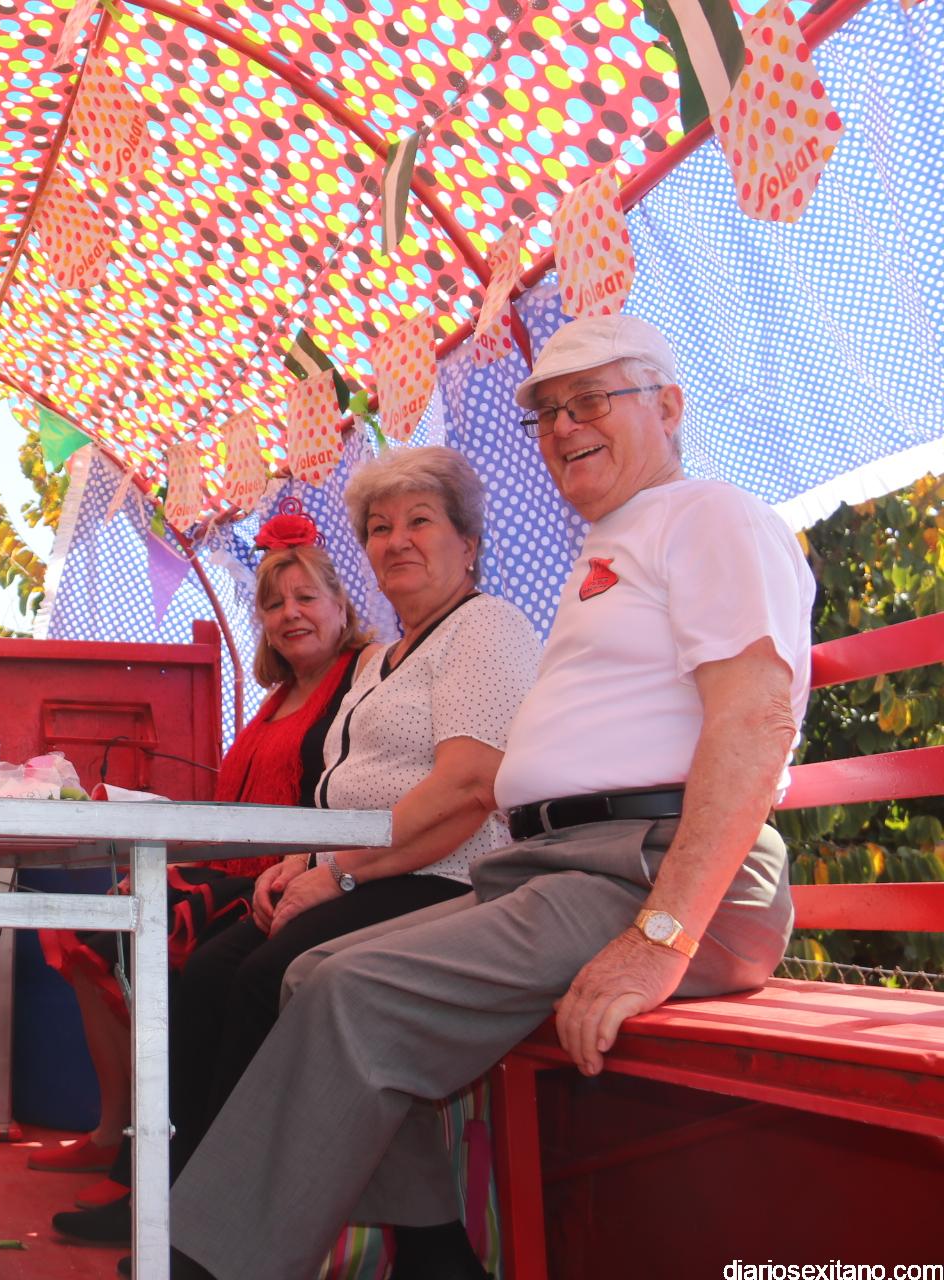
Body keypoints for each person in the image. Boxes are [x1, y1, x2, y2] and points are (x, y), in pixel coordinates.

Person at [162, 314, 815, 1280]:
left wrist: (661, 937)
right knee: (311, 973)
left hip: (650, 872)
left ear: (670, 407)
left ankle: (204, 1267)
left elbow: (756, 719)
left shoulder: (709, 516)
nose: (564, 426)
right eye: (547, 412)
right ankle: (436, 1256)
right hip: (555, 872)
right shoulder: (606, 552)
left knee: (347, 992)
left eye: (591, 400)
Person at [51, 449, 540, 1247]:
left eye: (420, 522)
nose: (396, 540)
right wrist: (302, 863)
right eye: (379, 528)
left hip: (445, 876)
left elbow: (467, 790)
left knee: (264, 979)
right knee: (209, 973)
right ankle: (171, 1197)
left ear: (468, 543)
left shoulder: (487, 627)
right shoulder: (385, 663)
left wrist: (335, 874)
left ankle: (224, 1234)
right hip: (364, 868)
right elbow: (336, 793)